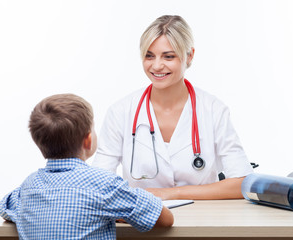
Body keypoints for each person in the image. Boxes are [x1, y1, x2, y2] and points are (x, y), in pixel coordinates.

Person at [93, 15, 253, 200]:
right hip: (143, 224)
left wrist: (170, 194)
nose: (157, 66)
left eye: (168, 56)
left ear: (189, 55)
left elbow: (242, 182)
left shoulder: (213, 110)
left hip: (203, 222)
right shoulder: (120, 112)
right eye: (149, 56)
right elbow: (100, 181)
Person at [0, 94, 173, 239]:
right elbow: (164, 218)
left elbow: (3, 207)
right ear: (88, 140)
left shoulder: (29, 186)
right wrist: (118, 211)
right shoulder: (105, 184)